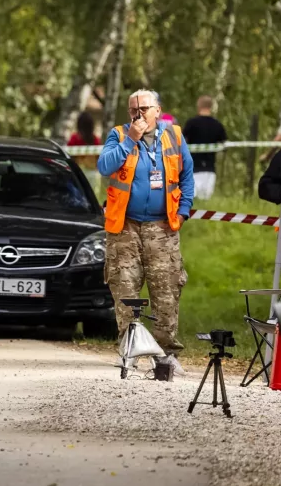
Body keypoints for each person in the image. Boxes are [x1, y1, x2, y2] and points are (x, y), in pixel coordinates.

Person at [97, 89, 195, 377]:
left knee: (167, 291)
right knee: (125, 289)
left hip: (162, 228)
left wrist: (183, 210)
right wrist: (131, 139)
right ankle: (130, 351)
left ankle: (166, 356)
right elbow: (104, 166)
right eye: (133, 110)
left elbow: (187, 175)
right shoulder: (119, 135)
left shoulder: (174, 136)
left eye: (144, 109)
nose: (137, 114)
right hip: (125, 228)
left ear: (157, 110)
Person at [182, 95, 227, 201]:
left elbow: (181, 142)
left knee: (191, 201)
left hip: (192, 168)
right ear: (211, 106)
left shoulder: (191, 124)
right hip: (210, 169)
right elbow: (224, 145)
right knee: (206, 201)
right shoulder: (217, 125)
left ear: (198, 106)